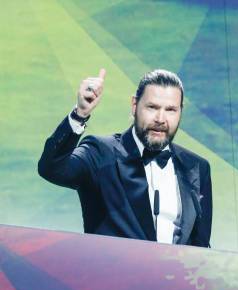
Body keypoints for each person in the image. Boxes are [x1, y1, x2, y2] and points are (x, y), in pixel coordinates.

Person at [38, 69, 212, 247]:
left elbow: (201, 246)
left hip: (175, 275)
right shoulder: (100, 152)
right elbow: (52, 168)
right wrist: (79, 114)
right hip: (115, 273)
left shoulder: (197, 167)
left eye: (171, 110)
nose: (161, 118)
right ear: (134, 105)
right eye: (152, 107)